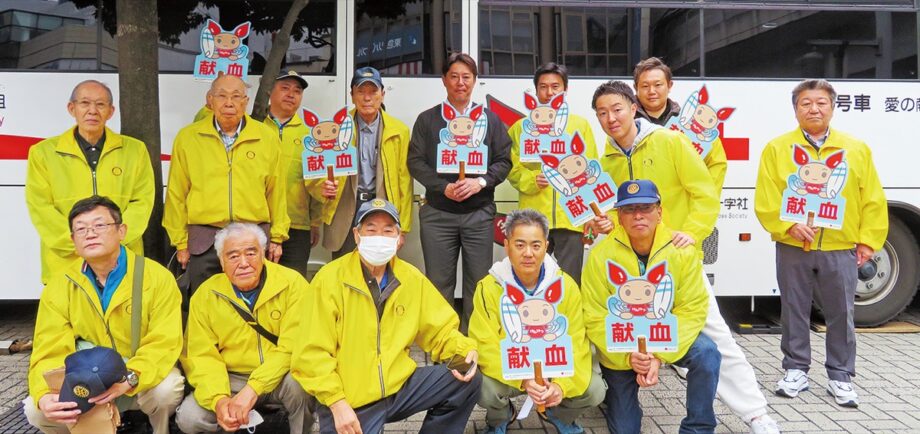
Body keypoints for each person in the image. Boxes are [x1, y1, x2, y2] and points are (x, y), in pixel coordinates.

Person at [632, 59, 780, 433]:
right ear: (636, 90)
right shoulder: (624, 130)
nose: (651, 91)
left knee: (715, 333)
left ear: (670, 86)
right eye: (644, 85)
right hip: (638, 250)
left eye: (657, 84)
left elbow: (710, 184)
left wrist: (692, 229)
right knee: (630, 323)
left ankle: (756, 413)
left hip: (680, 249)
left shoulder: (694, 127)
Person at [293, 199, 481, 434]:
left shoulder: (411, 278)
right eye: (370, 229)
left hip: (398, 386)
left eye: (388, 230)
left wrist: (464, 350)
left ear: (399, 237)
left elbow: (440, 330)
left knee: (468, 378)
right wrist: (336, 402)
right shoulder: (329, 279)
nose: (379, 236)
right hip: (350, 400)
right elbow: (310, 353)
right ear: (356, 234)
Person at [755, 79, 887, 408]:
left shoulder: (855, 149)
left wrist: (868, 241)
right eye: (805, 103)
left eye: (821, 103)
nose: (813, 108)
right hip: (793, 245)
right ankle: (795, 369)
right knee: (793, 309)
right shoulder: (777, 148)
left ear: (832, 107)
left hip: (839, 246)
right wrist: (788, 226)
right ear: (795, 108)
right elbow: (766, 197)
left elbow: (871, 197)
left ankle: (840, 375)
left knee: (841, 312)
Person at [24, 196, 184, 434]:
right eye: (81, 229)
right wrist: (44, 394)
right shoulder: (59, 285)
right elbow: (48, 351)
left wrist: (131, 377)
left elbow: (165, 342)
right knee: (34, 410)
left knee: (167, 390)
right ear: (73, 240)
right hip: (86, 381)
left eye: (100, 225)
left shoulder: (157, 277)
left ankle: (158, 429)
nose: (90, 233)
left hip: (136, 376)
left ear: (121, 231)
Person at [582, 180, 719, 433]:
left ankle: (698, 427)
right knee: (625, 429)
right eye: (628, 209)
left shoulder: (681, 251)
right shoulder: (602, 255)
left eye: (646, 207)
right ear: (619, 216)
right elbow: (593, 314)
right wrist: (629, 355)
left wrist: (657, 355)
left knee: (707, 353)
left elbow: (692, 309)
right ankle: (618, 399)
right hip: (621, 348)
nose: (638, 215)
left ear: (660, 211)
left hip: (664, 338)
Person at [469, 209, 605, 434]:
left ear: (546, 245)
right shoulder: (489, 286)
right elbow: (484, 342)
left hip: (554, 368)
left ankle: (558, 413)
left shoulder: (565, 285)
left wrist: (562, 386)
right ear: (507, 246)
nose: (528, 253)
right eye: (520, 245)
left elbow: (576, 341)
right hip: (512, 368)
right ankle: (500, 417)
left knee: (594, 389)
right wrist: (523, 379)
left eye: (536, 245)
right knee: (481, 387)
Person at [408, 52, 512, 331]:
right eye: (454, 76)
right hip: (438, 214)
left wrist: (479, 182)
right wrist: (444, 187)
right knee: (438, 282)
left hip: (478, 215)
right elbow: (415, 161)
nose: (460, 82)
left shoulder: (490, 120)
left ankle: (474, 344)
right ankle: (442, 344)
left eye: (466, 77)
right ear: (444, 80)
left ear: (475, 81)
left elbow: (504, 160)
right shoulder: (427, 120)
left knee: (478, 283)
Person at [176, 223, 314, 433]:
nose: (243, 263)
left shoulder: (292, 284)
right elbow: (201, 356)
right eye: (232, 256)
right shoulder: (206, 294)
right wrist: (220, 400)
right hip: (230, 378)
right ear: (221, 262)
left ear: (264, 254)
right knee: (189, 418)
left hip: (279, 375)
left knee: (300, 385)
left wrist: (254, 389)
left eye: (251, 253)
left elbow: (292, 347)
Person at [164, 73, 289, 293]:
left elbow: (276, 191)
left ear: (245, 102)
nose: (229, 103)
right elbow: (176, 194)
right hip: (204, 239)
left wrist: (277, 237)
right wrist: (181, 243)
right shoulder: (188, 138)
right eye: (222, 96)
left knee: (252, 301)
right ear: (210, 100)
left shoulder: (266, 138)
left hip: (252, 235)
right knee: (204, 301)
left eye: (236, 96)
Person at [26, 80, 154, 285]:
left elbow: (142, 202)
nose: (92, 111)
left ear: (111, 111)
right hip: (65, 261)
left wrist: (111, 244)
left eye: (100, 104)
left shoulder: (135, 150)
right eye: (85, 103)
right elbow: (40, 207)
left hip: (120, 259)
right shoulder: (43, 153)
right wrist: (80, 243)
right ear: (72, 108)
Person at [506, 63, 597, 284]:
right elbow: (511, 168)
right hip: (533, 220)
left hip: (571, 217)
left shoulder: (580, 125)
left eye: (555, 86)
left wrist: (591, 216)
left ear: (565, 90)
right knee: (530, 279)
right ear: (535, 91)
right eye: (543, 87)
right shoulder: (521, 128)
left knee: (570, 281)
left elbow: (591, 171)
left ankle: (569, 319)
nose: (549, 93)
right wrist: (531, 180)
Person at [317, 67, 414, 258]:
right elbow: (317, 174)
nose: (367, 98)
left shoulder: (398, 131)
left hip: (381, 207)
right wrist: (323, 186)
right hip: (346, 206)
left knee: (379, 266)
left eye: (373, 92)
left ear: (382, 95)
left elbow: (405, 182)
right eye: (361, 92)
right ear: (352, 95)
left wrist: (403, 227)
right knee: (343, 268)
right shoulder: (334, 130)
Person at [265, 70, 324, 277]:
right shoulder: (253, 127)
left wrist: (315, 222)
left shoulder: (310, 135)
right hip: (258, 223)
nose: (291, 94)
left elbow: (316, 181)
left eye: (297, 91)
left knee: (294, 285)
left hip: (296, 225)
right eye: (285, 88)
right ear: (270, 91)